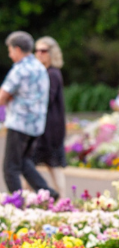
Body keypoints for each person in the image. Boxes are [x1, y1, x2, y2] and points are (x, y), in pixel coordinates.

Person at [0, 31, 59, 199]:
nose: (10, 55)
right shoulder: (39, 67)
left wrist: (9, 97)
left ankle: (17, 203)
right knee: (24, 162)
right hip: (36, 125)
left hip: (19, 123)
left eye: (10, 51)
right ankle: (49, 193)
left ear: (17, 49)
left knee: (10, 167)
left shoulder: (20, 69)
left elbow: (2, 96)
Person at [32, 36, 66, 194]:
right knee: (36, 165)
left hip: (50, 129)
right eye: (37, 50)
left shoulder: (52, 73)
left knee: (50, 166)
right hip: (46, 128)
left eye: (43, 50)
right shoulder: (47, 72)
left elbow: (45, 100)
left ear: (52, 53)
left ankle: (63, 200)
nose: (39, 53)